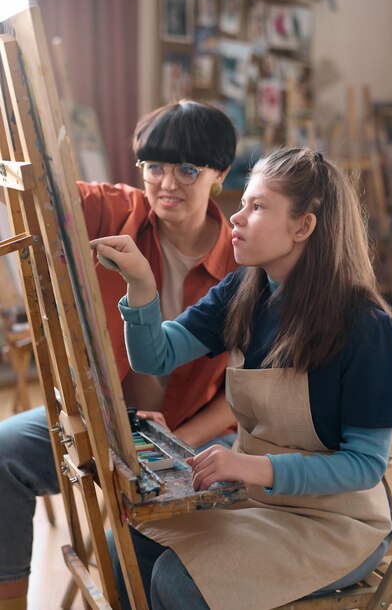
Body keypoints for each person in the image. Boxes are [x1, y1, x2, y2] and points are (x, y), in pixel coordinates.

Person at [94, 147, 392, 610]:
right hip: (258, 499)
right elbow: (154, 357)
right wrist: (140, 285)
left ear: (304, 227)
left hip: (337, 523)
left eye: (257, 206)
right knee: (127, 545)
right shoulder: (244, 288)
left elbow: (364, 467)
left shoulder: (363, 324)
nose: (235, 217)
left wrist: (247, 466)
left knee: (178, 583)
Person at [0, 99, 239, 610]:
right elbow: (40, 184)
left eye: (187, 169)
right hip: (106, 419)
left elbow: (246, 393)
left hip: (194, 433)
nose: (166, 183)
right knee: (4, 453)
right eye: (154, 166)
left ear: (219, 174)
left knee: (129, 558)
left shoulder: (244, 264)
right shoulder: (115, 210)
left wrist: (181, 442)